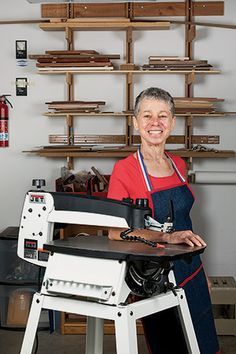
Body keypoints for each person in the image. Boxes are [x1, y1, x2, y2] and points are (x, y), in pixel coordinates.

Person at [107, 87, 219, 354]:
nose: (154, 123)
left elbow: (184, 220)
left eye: (162, 116)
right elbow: (115, 232)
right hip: (155, 276)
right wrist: (166, 237)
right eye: (147, 116)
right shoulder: (125, 169)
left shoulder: (178, 164)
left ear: (172, 122)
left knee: (203, 342)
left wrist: (202, 273)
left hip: (190, 269)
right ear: (135, 122)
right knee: (171, 344)